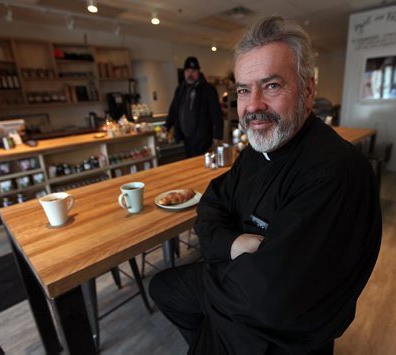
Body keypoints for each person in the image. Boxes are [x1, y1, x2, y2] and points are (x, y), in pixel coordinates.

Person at [149, 16, 381, 354]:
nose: (253, 105)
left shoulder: (335, 172)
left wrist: (216, 258)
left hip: (281, 335)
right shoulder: (258, 152)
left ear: (308, 90)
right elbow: (211, 204)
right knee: (164, 288)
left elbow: (270, 299)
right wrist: (231, 245)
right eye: (244, 89)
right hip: (237, 299)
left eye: (271, 85)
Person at [165, 56, 223, 157]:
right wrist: (167, 125)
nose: (190, 74)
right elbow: (174, 108)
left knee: (202, 165)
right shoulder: (180, 89)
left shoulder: (208, 89)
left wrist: (217, 135)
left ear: (198, 72)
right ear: (184, 72)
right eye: (187, 71)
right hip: (186, 138)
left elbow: (217, 114)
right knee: (189, 163)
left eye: (193, 71)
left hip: (203, 138)